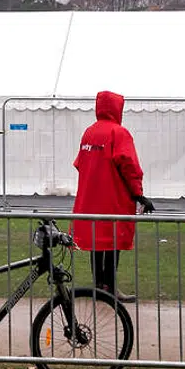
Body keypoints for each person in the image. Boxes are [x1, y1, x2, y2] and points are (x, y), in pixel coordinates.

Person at [71, 90, 154, 303]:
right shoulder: (119, 133)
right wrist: (139, 195)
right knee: (113, 242)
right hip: (113, 201)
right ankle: (110, 287)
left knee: (97, 243)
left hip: (90, 200)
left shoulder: (88, 133)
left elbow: (80, 163)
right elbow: (129, 166)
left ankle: (99, 286)